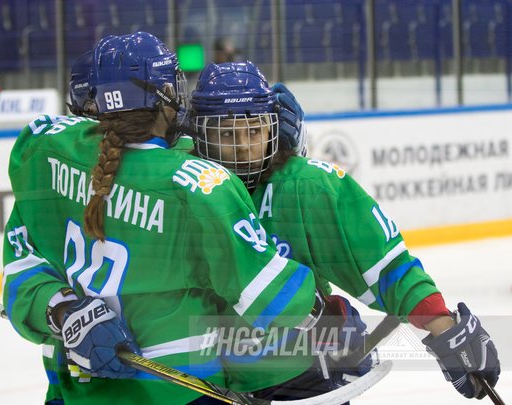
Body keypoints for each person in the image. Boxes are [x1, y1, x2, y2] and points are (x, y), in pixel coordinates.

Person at [2, 32, 326, 405]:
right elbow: (272, 300)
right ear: (166, 95)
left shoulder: (44, 153)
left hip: (77, 390)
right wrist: (320, 312)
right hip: (180, 389)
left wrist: (62, 310)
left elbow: (21, 266)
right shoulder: (199, 184)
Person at [189, 61, 501, 401]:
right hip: (199, 371)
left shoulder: (307, 187)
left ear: (274, 130)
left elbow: (384, 265)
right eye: (226, 134)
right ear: (200, 135)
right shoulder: (180, 186)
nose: (242, 146)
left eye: (253, 131)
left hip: (296, 370)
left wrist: (443, 325)